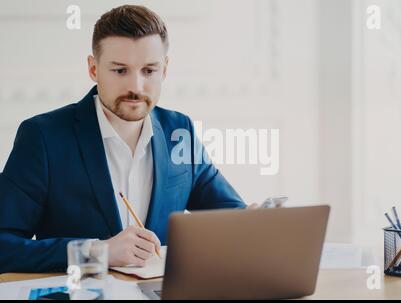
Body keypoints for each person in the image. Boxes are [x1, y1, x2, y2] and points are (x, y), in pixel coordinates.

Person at [0, 5, 249, 273]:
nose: (136, 87)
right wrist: (99, 252)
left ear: (165, 70)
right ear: (93, 69)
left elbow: (230, 217)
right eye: (120, 71)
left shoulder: (180, 131)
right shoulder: (42, 136)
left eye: (149, 71)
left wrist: (254, 224)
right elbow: (4, 245)